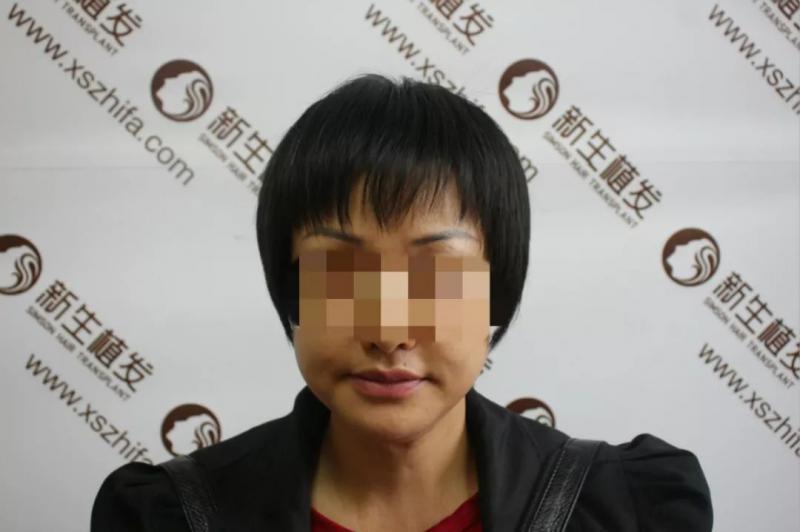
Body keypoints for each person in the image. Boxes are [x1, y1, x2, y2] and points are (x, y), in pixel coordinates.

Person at [90, 74, 713, 531]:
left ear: (496, 294)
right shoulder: (173, 515)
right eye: (339, 271)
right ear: (291, 289)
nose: (388, 329)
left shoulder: (620, 507)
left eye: (437, 274)